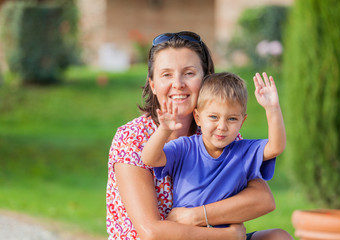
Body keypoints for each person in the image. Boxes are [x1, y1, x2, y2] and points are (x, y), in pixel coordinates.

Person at [106, 31, 293, 240]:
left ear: (206, 80)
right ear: (153, 84)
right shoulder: (132, 138)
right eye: (166, 74)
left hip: (212, 234)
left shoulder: (216, 133)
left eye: (189, 73)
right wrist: (228, 236)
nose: (178, 84)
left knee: (278, 237)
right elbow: (151, 232)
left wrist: (195, 216)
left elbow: (263, 200)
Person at [142, 71, 287, 229]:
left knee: (279, 235)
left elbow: (275, 147)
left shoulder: (243, 152)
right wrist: (163, 130)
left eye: (232, 119)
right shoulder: (184, 147)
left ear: (242, 122)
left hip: (223, 236)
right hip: (187, 234)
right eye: (213, 117)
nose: (222, 127)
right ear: (198, 118)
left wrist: (272, 109)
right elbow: (149, 159)